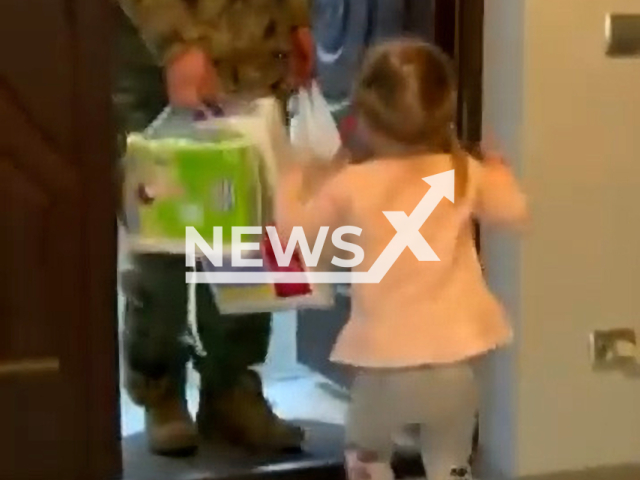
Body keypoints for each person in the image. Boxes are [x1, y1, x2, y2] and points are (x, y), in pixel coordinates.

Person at [275, 39, 529, 480]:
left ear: (366, 122)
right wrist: (501, 169)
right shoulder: (463, 172)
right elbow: (514, 211)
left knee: (367, 456)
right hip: (457, 363)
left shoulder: (352, 184)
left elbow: (292, 236)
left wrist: (293, 179)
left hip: (383, 370)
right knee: (450, 459)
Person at [113, 0, 314, 456]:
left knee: (246, 238)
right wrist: (176, 44)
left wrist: (297, 19)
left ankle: (231, 390)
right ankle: (159, 389)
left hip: (254, 57)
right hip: (154, 62)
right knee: (162, 244)